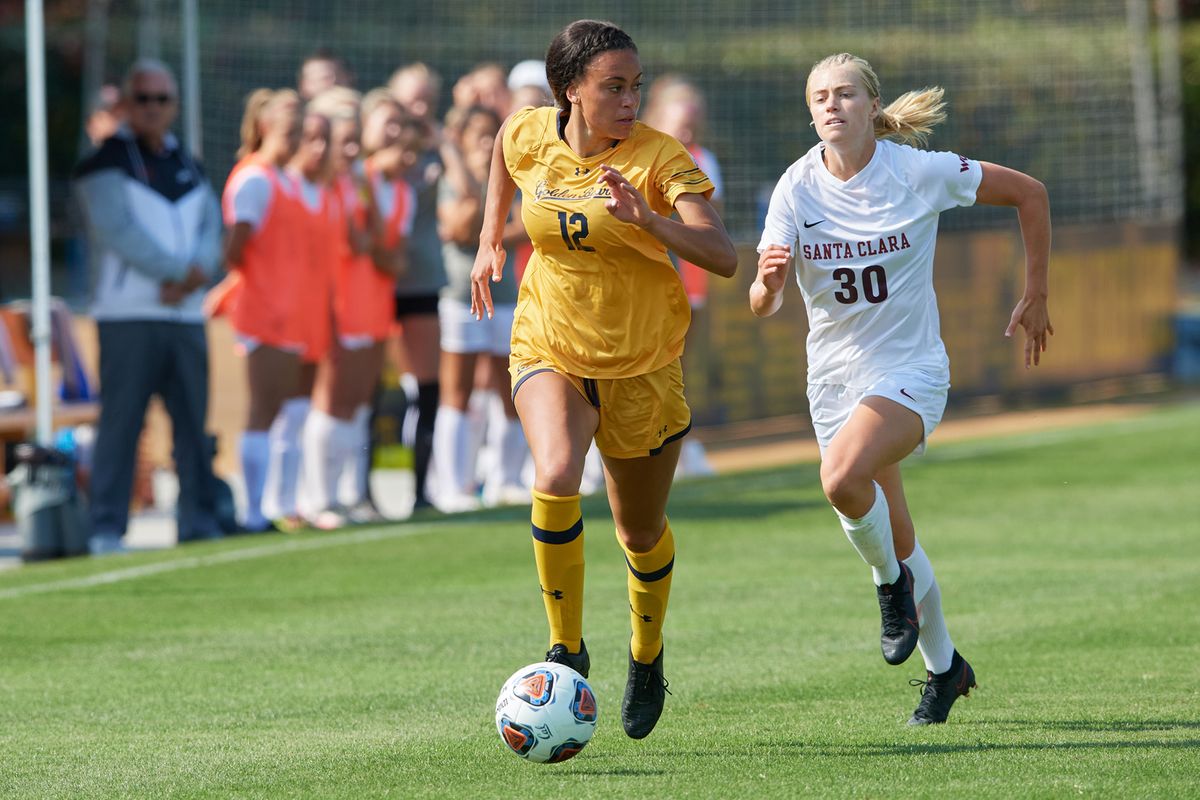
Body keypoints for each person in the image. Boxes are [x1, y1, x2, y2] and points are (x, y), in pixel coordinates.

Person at [752, 52, 1052, 725]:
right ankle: (946, 670)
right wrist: (767, 285)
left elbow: (1030, 192)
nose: (832, 105)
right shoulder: (795, 188)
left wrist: (1035, 291)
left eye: (846, 94)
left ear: (870, 106)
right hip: (833, 383)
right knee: (895, 529)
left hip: (910, 373)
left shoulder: (918, 173)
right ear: (810, 111)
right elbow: (760, 303)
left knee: (840, 481)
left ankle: (891, 587)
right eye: (820, 96)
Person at [471, 19, 737, 739]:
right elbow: (503, 151)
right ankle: (566, 646)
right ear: (571, 93)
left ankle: (646, 657)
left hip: (643, 367)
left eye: (636, 86)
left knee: (639, 530)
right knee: (555, 472)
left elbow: (721, 254)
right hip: (549, 342)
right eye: (613, 87)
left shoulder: (658, 155)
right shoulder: (531, 133)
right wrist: (491, 235)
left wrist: (648, 219)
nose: (629, 100)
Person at [72, 58, 224, 555]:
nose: (153, 108)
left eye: (162, 99)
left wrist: (196, 273)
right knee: (123, 423)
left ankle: (198, 519)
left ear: (174, 105)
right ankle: (107, 526)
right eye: (143, 99)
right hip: (128, 315)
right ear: (126, 105)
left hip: (184, 315)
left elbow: (209, 228)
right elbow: (117, 230)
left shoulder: (189, 162)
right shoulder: (104, 161)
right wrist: (176, 275)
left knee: (192, 425)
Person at [434, 104, 527, 511]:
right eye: (478, 137)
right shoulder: (451, 182)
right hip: (459, 298)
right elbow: (458, 230)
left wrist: (494, 231)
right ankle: (454, 487)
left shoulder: (517, 179)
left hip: (506, 297)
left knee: (512, 391)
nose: (488, 144)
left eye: (493, 135)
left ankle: (506, 479)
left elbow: (525, 227)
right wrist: (476, 188)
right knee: (458, 392)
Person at [220, 89, 304, 531]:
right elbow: (235, 248)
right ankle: (252, 511)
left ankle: (271, 504)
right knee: (262, 408)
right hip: (263, 309)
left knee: (281, 409)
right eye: (290, 128)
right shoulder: (254, 178)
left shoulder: (282, 177)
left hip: (286, 309)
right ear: (266, 126)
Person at [643, 75, 725, 478]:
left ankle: (681, 445)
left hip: (688, 278)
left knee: (676, 366)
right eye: (679, 125)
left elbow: (712, 226)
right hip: (643, 279)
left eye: (692, 125)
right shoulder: (636, 157)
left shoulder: (702, 161)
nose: (686, 133)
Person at [388, 65, 449, 513]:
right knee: (365, 391)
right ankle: (353, 492)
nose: (419, 108)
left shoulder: (435, 156)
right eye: (412, 99)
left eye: (427, 100)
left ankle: (420, 490)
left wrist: (444, 143)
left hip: (423, 279)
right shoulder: (370, 167)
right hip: (375, 282)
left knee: (427, 388)